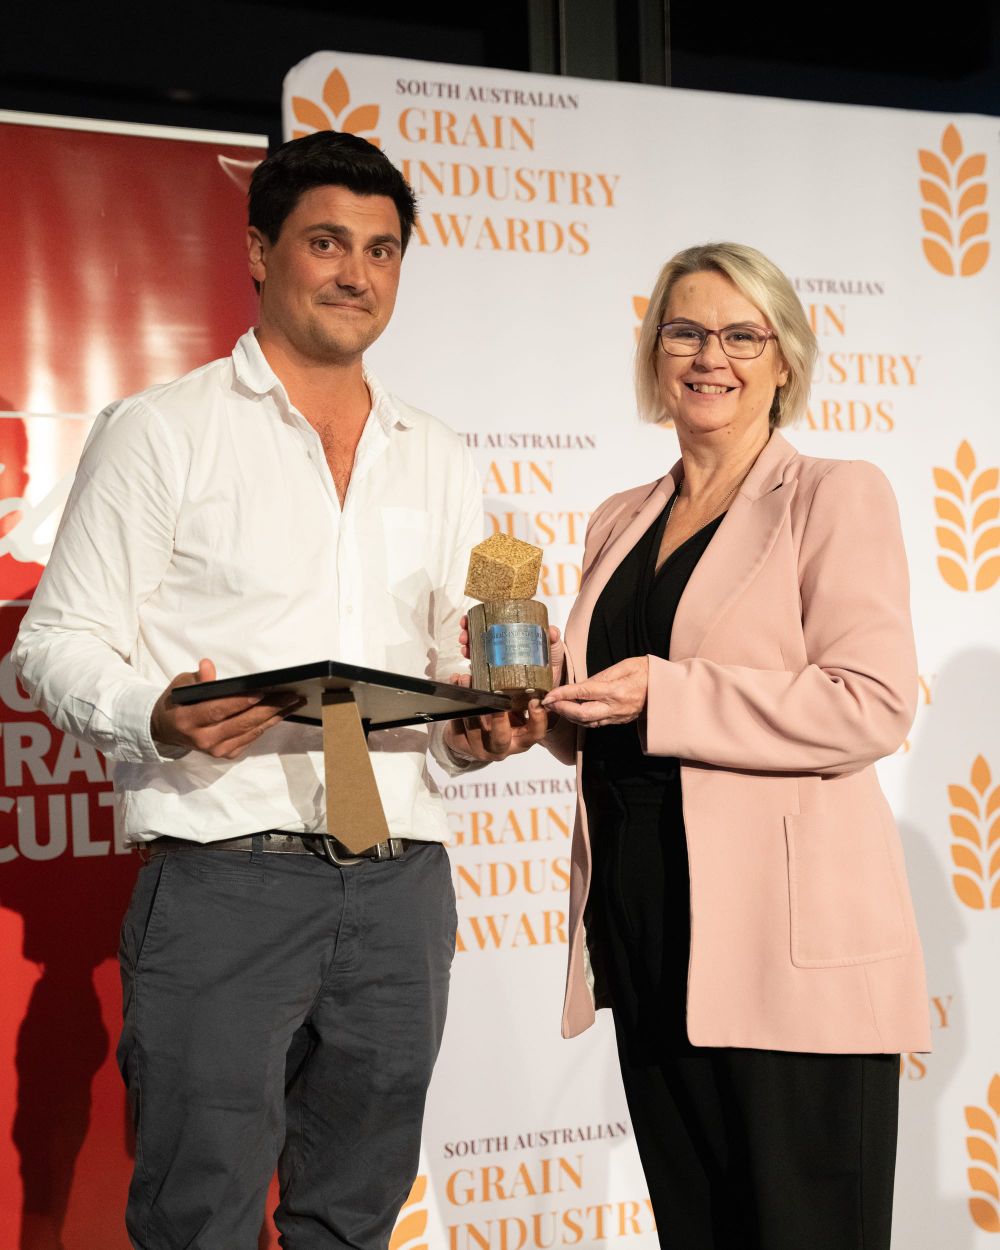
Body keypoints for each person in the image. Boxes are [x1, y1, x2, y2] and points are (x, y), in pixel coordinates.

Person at [13, 130, 548, 1250]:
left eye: (382, 249)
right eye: (326, 242)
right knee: (200, 1209)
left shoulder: (438, 453)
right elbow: (53, 643)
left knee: (354, 1213)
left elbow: (446, 670)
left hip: (403, 883)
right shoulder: (164, 431)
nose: (357, 272)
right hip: (226, 877)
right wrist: (154, 710)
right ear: (259, 252)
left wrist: (479, 728)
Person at [540, 242, 930, 1250]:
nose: (709, 354)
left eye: (740, 333)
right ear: (654, 351)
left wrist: (667, 693)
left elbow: (871, 702)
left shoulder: (833, 493)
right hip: (645, 924)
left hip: (786, 948)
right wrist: (537, 713)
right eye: (684, 329)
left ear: (783, 357)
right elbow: (616, 718)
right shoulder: (617, 519)